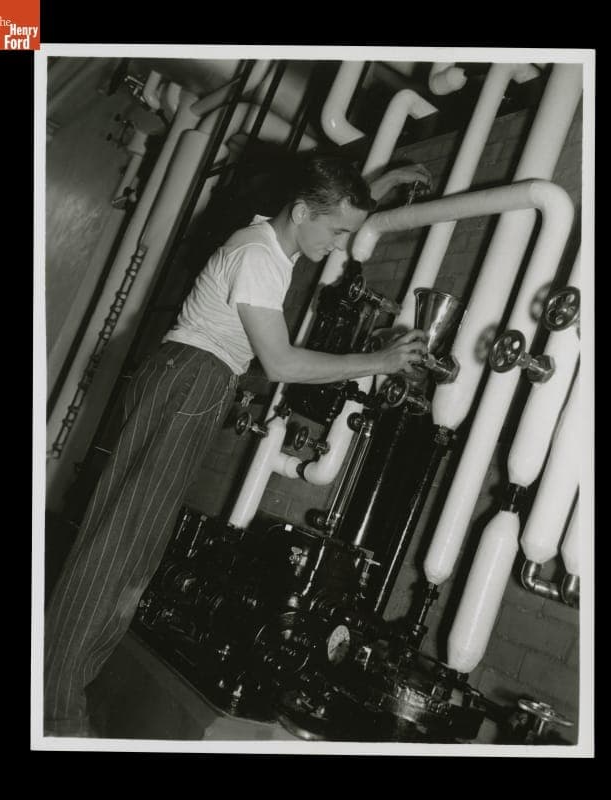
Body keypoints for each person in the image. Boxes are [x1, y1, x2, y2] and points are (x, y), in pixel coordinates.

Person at [43, 152, 432, 737]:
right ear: (301, 213)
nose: (340, 244)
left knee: (132, 546)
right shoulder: (258, 258)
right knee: (119, 545)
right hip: (196, 378)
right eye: (338, 232)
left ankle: (59, 691)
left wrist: (382, 184)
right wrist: (377, 361)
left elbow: (323, 213)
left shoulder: (275, 238)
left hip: (189, 377)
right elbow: (279, 361)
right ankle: (53, 708)